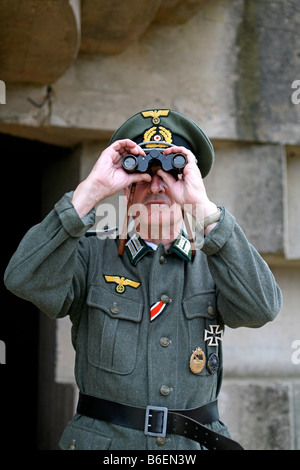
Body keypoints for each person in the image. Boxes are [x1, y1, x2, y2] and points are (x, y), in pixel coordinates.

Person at [4, 109, 282, 450]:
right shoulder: (91, 257)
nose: (156, 185)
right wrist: (90, 191)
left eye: (171, 173)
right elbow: (22, 278)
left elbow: (263, 308)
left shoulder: (216, 264)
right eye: (142, 176)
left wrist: (203, 208)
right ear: (126, 193)